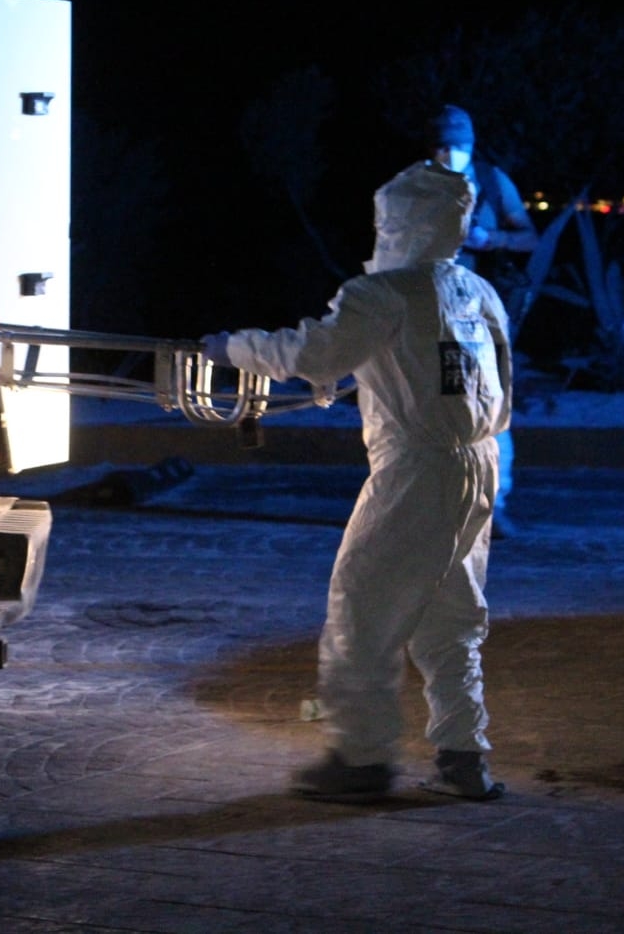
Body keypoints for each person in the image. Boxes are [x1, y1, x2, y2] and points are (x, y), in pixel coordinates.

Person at [202, 159, 511, 802]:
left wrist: (231, 349)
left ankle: (362, 759)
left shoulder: (381, 294)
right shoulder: (478, 293)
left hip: (417, 471)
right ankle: (462, 756)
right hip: (480, 463)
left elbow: (312, 351)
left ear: (396, 222)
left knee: (360, 610)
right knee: (450, 615)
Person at [428, 104, 536, 539]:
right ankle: (442, 504)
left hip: (477, 318)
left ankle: (493, 504)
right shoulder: (415, 185)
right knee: (436, 410)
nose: (452, 153)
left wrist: (490, 239)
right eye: (444, 145)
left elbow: (530, 236)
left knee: (487, 408)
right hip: (429, 314)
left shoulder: (491, 181)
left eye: (460, 145)